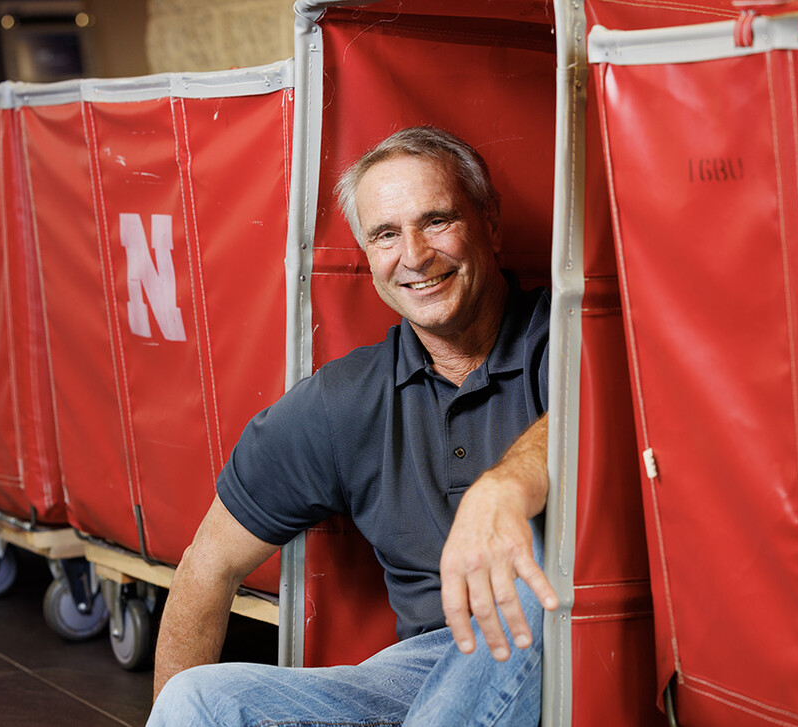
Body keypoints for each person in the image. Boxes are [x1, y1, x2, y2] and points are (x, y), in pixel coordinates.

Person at [148, 126, 559, 726]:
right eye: (387, 235)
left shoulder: (571, 336)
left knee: (546, 539)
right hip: (418, 674)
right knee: (199, 701)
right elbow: (207, 566)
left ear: (489, 224)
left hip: (568, 652)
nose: (414, 255)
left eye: (438, 220)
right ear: (368, 255)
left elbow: (602, 414)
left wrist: (509, 485)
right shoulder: (345, 402)